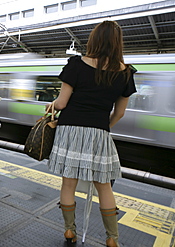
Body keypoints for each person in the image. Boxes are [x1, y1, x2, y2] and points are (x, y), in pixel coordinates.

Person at [46, 21, 137, 247]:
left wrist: (52, 105)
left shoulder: (76, 64)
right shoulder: (126, 73)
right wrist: (103, 126)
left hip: (70, 130)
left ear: (94, 39)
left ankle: (69, 230)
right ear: (118, 43)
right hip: (100, 132)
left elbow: (62, 102)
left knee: (69, 183)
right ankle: (112, 238)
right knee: (103, 185)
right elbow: (121, 112)